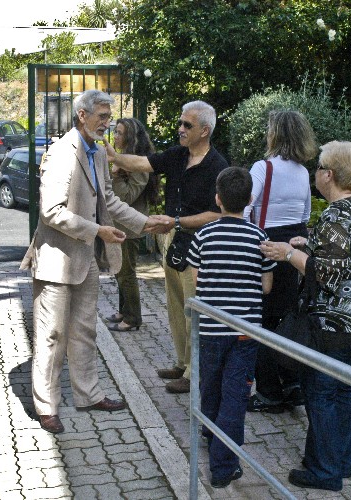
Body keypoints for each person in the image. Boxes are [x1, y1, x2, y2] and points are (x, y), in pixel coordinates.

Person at [20, 90, 169, 434]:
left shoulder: (99, 153)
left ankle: (88, 394)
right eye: (102, 116)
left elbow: (111, 199)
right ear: (82, 116)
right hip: (57, 260)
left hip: (86, 260)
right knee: (51, 335)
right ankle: (47, 406)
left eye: (109, 116)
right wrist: (97, 230)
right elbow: (51, 212)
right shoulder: (60, 153)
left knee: (85, 330)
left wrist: (144, 223)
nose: (108, 123)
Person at [260, 140, 351, 492]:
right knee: (343, 391)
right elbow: (344, 256)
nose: (315, 173)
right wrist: (308, 242)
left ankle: (324, 471)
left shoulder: (334, 215)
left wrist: (287, 253)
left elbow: (324, 273)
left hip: (335, 324)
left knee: (322, 392)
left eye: (319, 168)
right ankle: (342, 462)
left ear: (328, 175)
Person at [106, 100, 228, 394]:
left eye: (188, 125)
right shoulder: (178, 155)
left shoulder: (217, 166)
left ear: (205, 130)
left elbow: (218, 213)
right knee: (175, 305)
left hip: (199, 244)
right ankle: (183, 362)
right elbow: (144, 163)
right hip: (172, 239)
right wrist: (114, 157)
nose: (180, 129)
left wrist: (177, 221)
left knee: (193, 309)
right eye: (181, 123)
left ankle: (194, 372)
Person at [186, 167, 275, 488]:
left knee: (210, 384)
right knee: (235, 394)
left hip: (210, 327)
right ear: (250, 200)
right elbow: (266, 286)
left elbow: (196, 279)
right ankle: (223, 467)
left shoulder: (204, 235)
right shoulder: (259, 237)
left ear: (217, 199)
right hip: (244, 331)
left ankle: (210, 434)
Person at [245, 110, 318, 413]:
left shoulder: (263, 168)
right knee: (287, 316)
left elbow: (245, 206)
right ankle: (292, 383)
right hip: (295, 247)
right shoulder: (303, 172)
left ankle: (269, 393)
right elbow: (305, 215)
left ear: (274, 134)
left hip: (267, 245)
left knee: (261, 320)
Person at [106, 118, 160, 332]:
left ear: (130, 138)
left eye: (119, 133)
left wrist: (116, 173)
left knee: (127, 273)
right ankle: (123, 310)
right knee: (119, 270)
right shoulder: (126, 160)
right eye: (116, 132)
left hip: (130, 228)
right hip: (119, 225)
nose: (115, 137)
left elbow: (126, 197)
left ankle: (133, 318)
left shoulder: (138, 164)